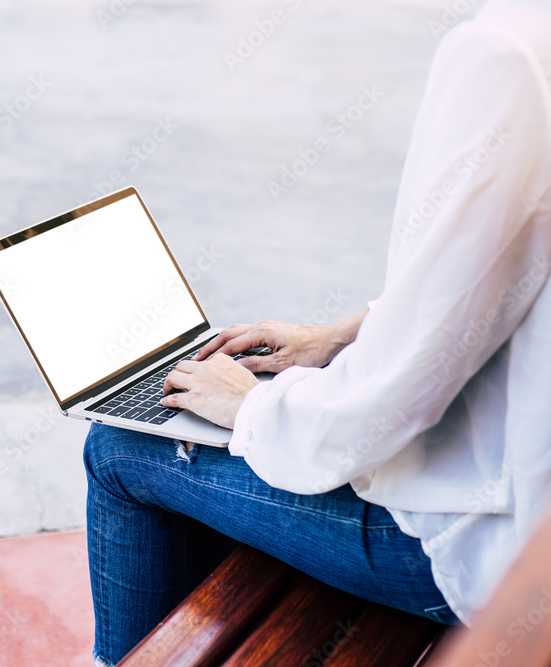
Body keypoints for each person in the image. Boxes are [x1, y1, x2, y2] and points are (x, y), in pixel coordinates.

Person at [84, 1, 551, 664]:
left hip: (503, 558)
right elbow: (501, 273)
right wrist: (338, 338)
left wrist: (250, 407)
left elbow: (391, 401)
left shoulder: (508, 53)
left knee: (122, 449)